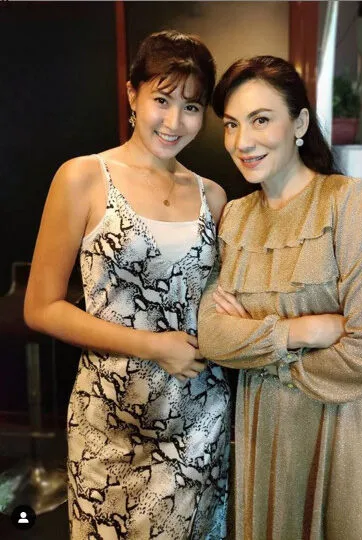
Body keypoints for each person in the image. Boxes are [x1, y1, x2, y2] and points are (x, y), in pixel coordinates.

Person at [198, 55, 362, 539]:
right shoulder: (234, 217)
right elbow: (214, 336)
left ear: (300, 123)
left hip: (349, 429)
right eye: (232, 125)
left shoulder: (347, 201)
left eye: (261, 120)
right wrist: (306, 331)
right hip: (265, 435)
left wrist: (264, 356)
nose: (243, 142)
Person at [23, 31, 231, 539]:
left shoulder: (213, 196)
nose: (174, 121)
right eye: (162, 99)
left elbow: (213, 302)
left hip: (199, 425)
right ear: (132, 93)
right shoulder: (83, 177)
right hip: (109, 424)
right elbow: (41, 307)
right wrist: (152, 345)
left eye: (191, 107)